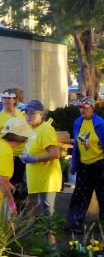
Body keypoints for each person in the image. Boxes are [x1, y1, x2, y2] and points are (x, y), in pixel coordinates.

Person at [67, 97, 104, 232]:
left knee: (102, 194)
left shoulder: (100, 124)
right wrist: (74, 164)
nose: (82, 110)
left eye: (85, 107)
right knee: (80, 195)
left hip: (100, 164)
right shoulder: (78, 122)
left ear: (92, 108)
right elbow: (77, 145)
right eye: (80, 107)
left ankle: (102, 226)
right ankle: (75, 222)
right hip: (84, 165)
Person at [20, 100, 62, 216]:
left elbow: (55, 153)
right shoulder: (32, 129)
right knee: (40, 211)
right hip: (38, 179)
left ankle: (50, 234)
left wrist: (34, 159)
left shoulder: (45, 129)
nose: (28, 116)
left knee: (47, 211)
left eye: (32, 113)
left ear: (41, 114)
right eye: (26, 113)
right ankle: (45, 234)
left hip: (47, 179)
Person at [0, 88, 27, 189]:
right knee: (6, 182)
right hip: (5, 155)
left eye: (9, 98)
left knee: (18, 183)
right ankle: (8, 203)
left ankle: (16, 203)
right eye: (4, 98)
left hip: (20, 155)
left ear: (15, 100)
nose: (6, 100)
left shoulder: (21, 114)